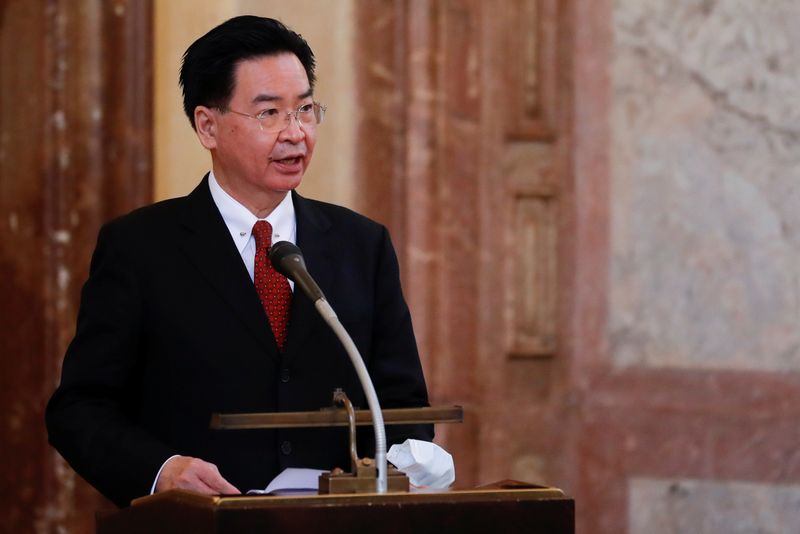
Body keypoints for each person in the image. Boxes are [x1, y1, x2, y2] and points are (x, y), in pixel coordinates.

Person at [45, 15, 432, 508]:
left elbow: (404, 408)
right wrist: (161, 471)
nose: (296, 134)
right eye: (269, 113)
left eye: (306, 109)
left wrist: (397, 470)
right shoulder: (140, 247)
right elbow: (80, 409)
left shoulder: (362, 244)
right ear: (207, 125)